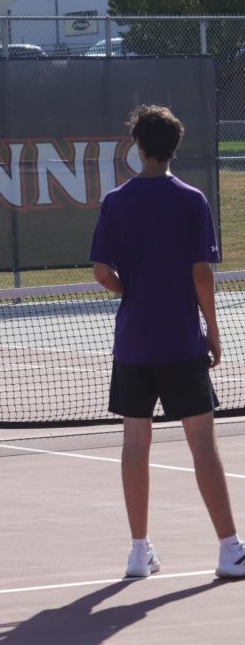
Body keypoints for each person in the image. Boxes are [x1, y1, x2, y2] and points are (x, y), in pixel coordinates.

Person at [90, 104, 245, 579]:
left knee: (135, 442)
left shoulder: (116, 201)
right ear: (174, 147)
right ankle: (230, 551)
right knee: (203, 441)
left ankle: (139, 552)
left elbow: (102, 273)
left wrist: (129, 290)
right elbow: (202, 274)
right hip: (181, 342)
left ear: (138, 147)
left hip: (134, 344)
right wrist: (214, 334)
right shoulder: (192, 200)